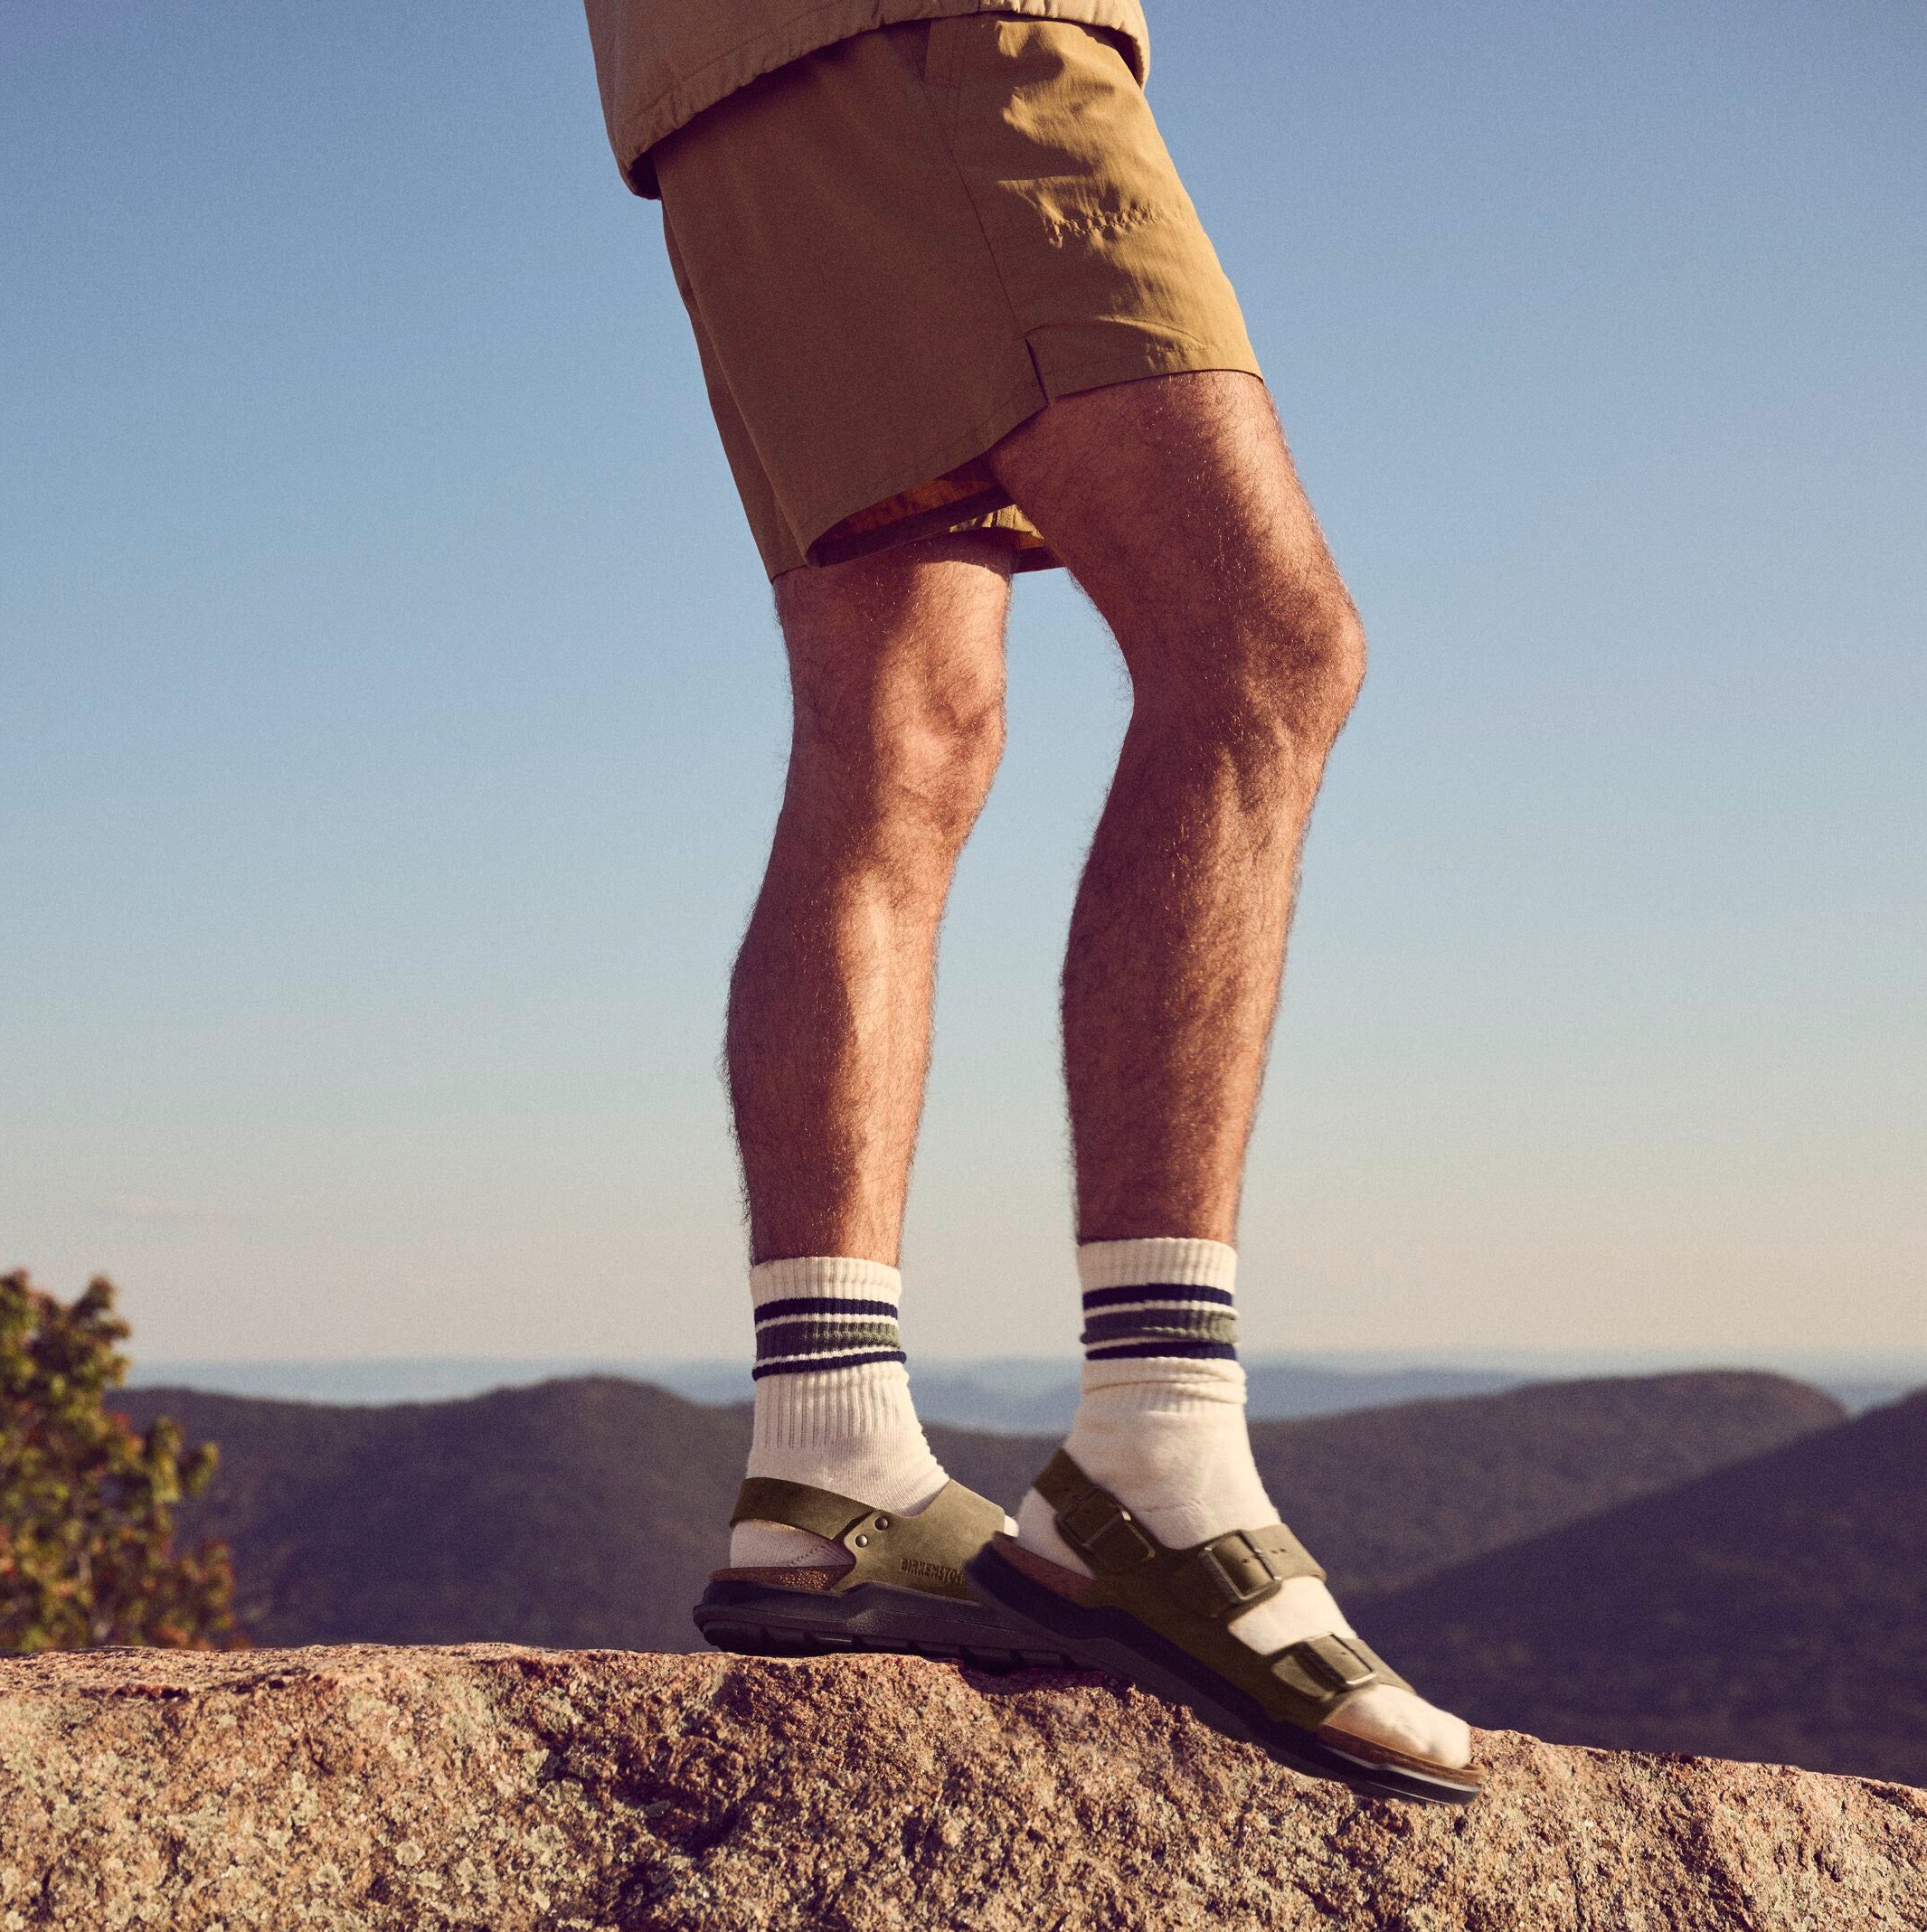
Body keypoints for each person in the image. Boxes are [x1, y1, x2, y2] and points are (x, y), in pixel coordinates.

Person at [586, 0, 1480, 1806]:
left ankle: (829, 1455)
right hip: (937, 33)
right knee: (1266, 645)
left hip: (726, 83)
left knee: (904, 737)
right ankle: (1161, 1457)